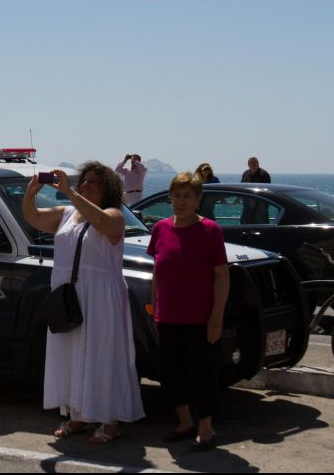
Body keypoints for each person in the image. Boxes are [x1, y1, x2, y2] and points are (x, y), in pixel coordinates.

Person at [22, 161, 145, 443]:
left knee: (101, 355)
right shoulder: (68, 214)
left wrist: (70, 193)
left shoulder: (116, 214)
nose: (86, 185)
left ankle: (110, 420)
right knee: (72, 353)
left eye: (94, 182)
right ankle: (78, 414)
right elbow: (34, 217)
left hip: (101, 297)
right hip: (70, 294)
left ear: (108, 189)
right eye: (84, 181)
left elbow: (102, 223)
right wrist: (30, 193)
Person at [147, 172, 229, 452]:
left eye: (187, 196)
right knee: (171, 374)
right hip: (168, 317)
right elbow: (158, 273)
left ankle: (206, 429)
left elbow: (221, 276)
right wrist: (155, 309)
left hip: (200, 320)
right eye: (177, 195)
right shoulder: (160, 229)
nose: (180, 201)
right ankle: (184, 423)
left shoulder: (210, 231)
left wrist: (216, 316)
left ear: (198, 200)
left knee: (202, 375)